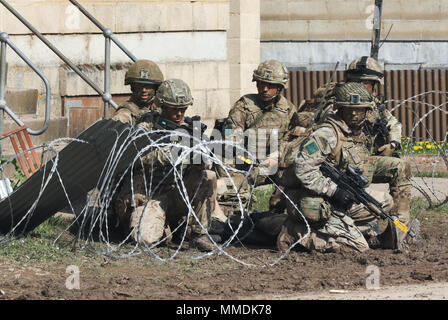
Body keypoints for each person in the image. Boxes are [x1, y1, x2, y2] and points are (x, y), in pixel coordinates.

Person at [276, 82, 418, 253]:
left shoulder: (358, 130)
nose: (354, 114)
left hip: (339, 197)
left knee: (383, 203)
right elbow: (303, 168)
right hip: (320, 199)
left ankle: (352, 228)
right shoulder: (327, 134)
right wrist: (333, 191)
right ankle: (294, 234)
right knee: (359, 247)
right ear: (340, 109)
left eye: (359, 110)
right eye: (349, 109)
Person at [113, 79, 219, 251]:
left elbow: (201, 167)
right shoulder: (146, 125)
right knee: (144, 239)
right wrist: (173, 154)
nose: (179, 114)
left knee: (208, 177)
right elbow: (136, 155)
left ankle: (199, 234)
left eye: (183, 109)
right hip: (150, 195)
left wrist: (201, 159)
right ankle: (166, 229)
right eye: (174, 109)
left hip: (176, 193)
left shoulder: (190, 130)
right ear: (162, 105)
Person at [216, 60, 298, 216]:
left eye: (270, 85)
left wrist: (276, 156)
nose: (264, 89)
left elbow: (292, 140)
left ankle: (277, 209)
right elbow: (231, 136)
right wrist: (248, 156)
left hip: (275, 164)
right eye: (261, 84)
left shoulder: (288, 109)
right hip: (245, 163)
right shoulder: (245, 105)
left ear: (280, 87)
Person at [112, 59, 164, 125]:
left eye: (148, 86)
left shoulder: (162, 107)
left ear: (156, 87)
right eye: (139, 86)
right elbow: (120, 121)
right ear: (132, 87)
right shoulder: (126, 111)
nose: (144, 90)